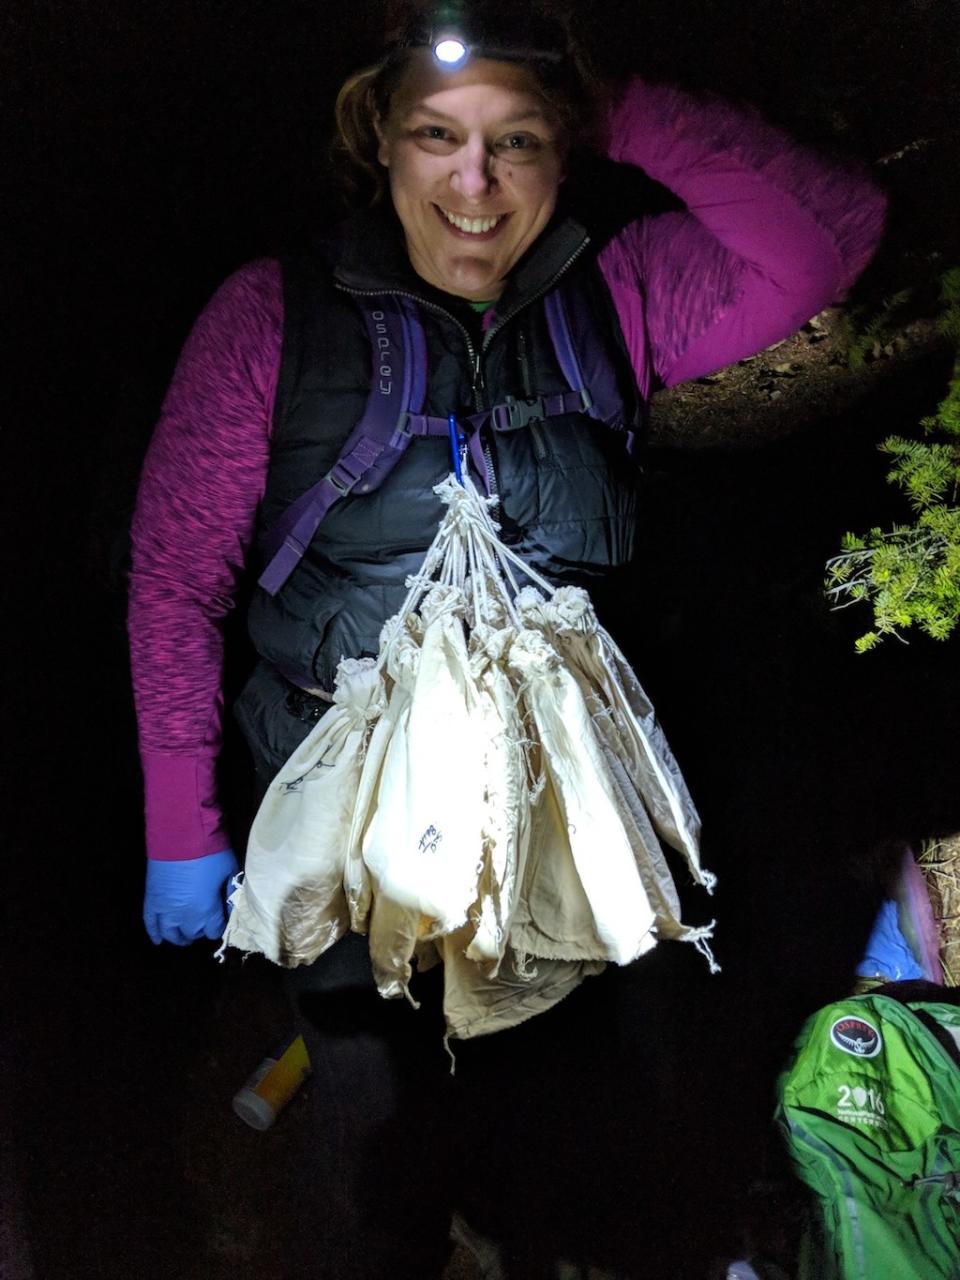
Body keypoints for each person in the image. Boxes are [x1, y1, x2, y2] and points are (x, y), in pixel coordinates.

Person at [128, 3, 886, 1274]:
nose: (473, 184)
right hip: (344, 822)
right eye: (437, 135)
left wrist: (619, 104)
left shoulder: (620, 296)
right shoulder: (273, 320)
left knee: (576, 1100)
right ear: (378, 138)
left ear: (563, 148)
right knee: (380, 1125)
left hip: (556, 810)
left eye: (516, 141)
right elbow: (172, 581)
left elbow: (829, 238)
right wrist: (179, 827)